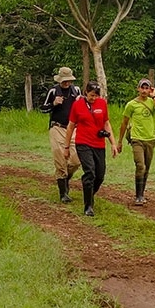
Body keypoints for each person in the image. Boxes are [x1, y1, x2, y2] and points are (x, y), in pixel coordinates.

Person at [64, 81, 119, 216]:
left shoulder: (102, 104)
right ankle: (88, 206)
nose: (94, 98)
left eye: (96, 95)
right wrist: (66, 147)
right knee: (90, 172)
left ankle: (89, 193)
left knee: (100, 175)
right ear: (86, 93)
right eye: (91, 95)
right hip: (83, 142)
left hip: (99, 144)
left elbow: (106, 123)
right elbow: (71, 126)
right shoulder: (77, 105)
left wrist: (113, 143)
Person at [117, 78, 155, 205]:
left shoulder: (152, 102)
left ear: (150, 89)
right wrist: (120, 141)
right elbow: (124, 123)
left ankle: (142, 193)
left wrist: (154, 97)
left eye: (146, 88)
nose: (144, 91)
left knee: (146, 168)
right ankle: (138, 196)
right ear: (138, 89)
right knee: (140, 165)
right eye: (142, 88)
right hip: (136, 139)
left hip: (150, 139)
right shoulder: (131, 104)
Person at [41, 67, 82, 203]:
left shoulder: (76, 91)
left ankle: (65, 179)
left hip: (73, 127)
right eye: (64, 81)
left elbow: (82, 108)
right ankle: (63, 192)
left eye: (69, 81)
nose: (67, 83)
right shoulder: (53, 91)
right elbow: (43, 108)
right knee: (60, 158)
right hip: (57, 127)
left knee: (76, 160)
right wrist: (54, 104)